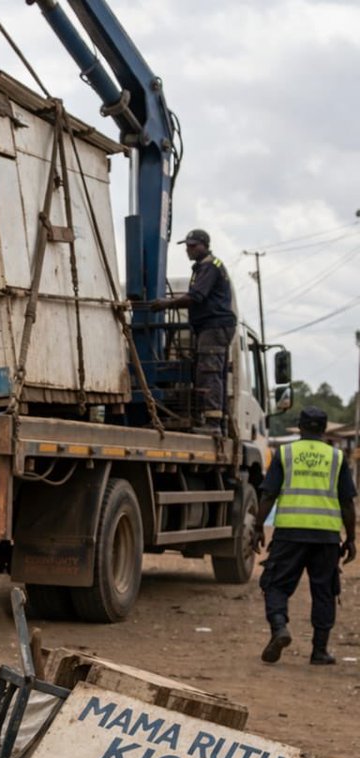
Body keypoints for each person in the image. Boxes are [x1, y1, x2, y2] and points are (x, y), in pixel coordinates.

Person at [255, 407, 357, 665]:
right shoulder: (337, 457)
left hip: (289, 534)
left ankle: (279, 628)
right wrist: (351, 538)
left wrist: (256, 527)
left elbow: (268, 495)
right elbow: (347, 503)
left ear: (300, 427)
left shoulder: (286, 454)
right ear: (323, 430)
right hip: (326, 537)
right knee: (324, 592)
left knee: (276, 584)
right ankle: (319, 651)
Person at [148, 229, 237, 435]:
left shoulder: (209, 267)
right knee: (211, 371)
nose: (188, 249)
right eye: (187, 245)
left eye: (193, 245)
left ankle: (213, 425)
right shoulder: (203, 267)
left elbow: (196, 297)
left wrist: (166, 304)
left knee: (209, 372)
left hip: (214, 326)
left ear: (205, 245)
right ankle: (217, 422)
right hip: (211, 326)